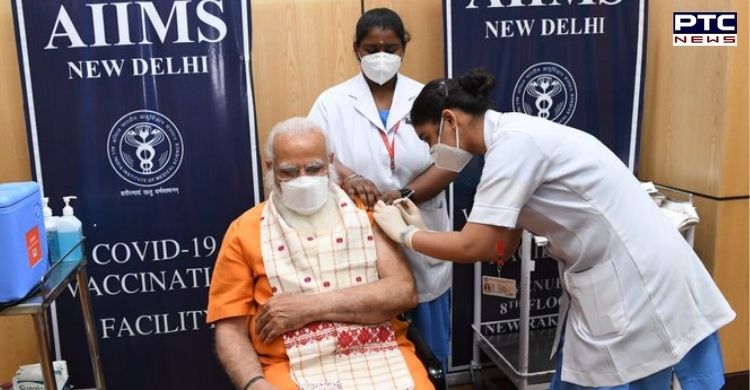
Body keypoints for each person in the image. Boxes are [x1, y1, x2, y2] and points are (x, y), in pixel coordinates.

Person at [373, 70, 735, 389]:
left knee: (628, 371)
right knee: (581, 371)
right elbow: (502, 245)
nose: (432, 151)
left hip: (636, 280)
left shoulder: (514, 147)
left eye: (426, 139)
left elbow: (477, 247)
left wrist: (408, 236)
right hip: (621, 274)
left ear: (449, 120)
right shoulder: (510, 141)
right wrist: (423, 227)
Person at [207, 117, 433, 390]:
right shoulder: (244, 231)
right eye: (289, 172)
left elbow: (402, 292)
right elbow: (230, 329)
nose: (303, 181)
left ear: (330, 163)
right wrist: (255, 384)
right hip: (289, 365)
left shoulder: (365, 213)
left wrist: (306, 308)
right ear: (270, 168)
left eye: (314, 169)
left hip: (380, 348)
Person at [308, 8, 454, 375]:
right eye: (371, 49)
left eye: (390, 48)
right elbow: (314, 155)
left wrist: (407, 193)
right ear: (356, 49)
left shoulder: (428, 97)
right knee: (371, 351)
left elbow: (452, 160)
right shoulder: (332, 102)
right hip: (360, 232)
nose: (380, 57)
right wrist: (348, 175)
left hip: (420, 226)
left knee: (430, 350)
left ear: (404, 47)